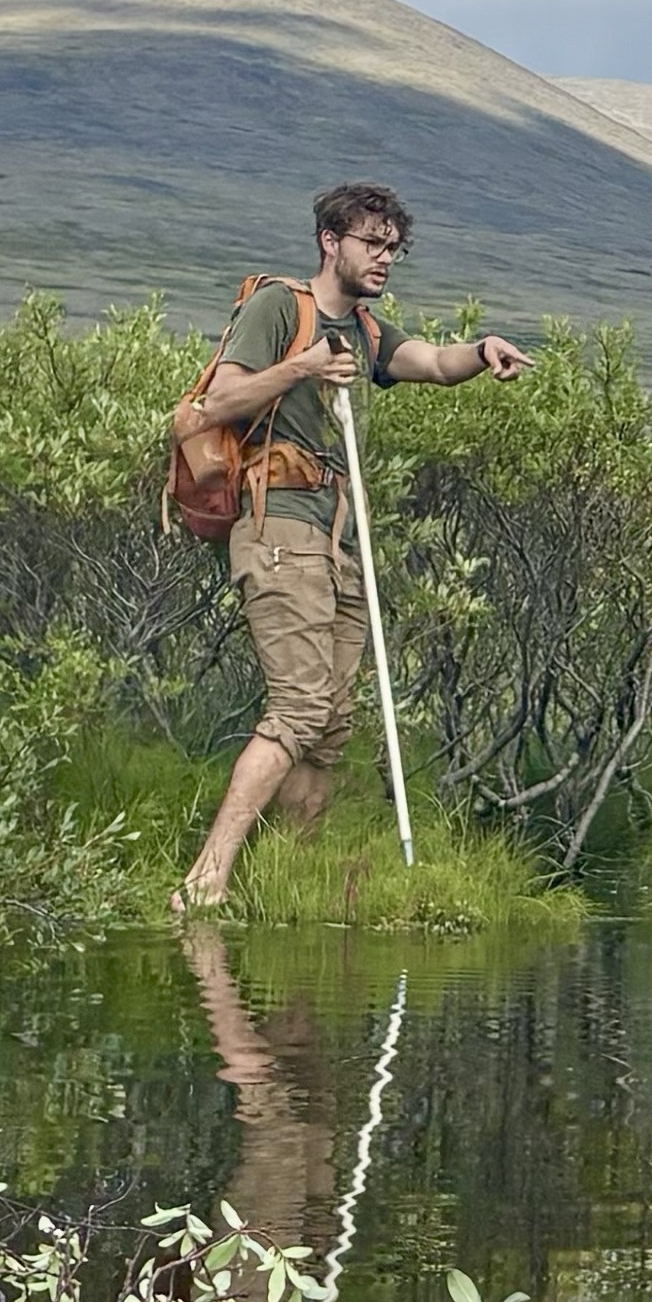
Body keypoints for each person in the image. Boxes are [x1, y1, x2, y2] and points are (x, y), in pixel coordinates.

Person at [176, 180, 524, 911]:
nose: (385, 258)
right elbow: (219, 401)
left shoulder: (366, 331)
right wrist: (301, 367)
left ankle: (286, 881)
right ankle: (207, 878)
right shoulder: (280, 308)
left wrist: (482, 348)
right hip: (279, 529)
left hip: (338, 541)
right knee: (300, 708)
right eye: (372, 243)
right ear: (330, 241)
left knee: (329, 726)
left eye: (394, 248)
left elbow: (430, 362)